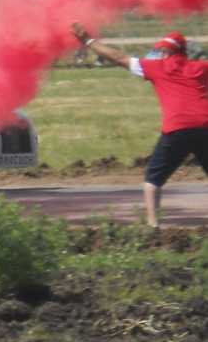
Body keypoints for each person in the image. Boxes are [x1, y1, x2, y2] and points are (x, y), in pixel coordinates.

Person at [71, 24, 208, 226]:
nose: (161, 53)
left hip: (177, 127)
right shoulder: (201, 67)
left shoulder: (157, 67)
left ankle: (153, 226)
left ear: (167, 52)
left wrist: (88, 41)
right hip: (205, 125)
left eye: (163, 50)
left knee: (153, 180)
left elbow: (118, 57)